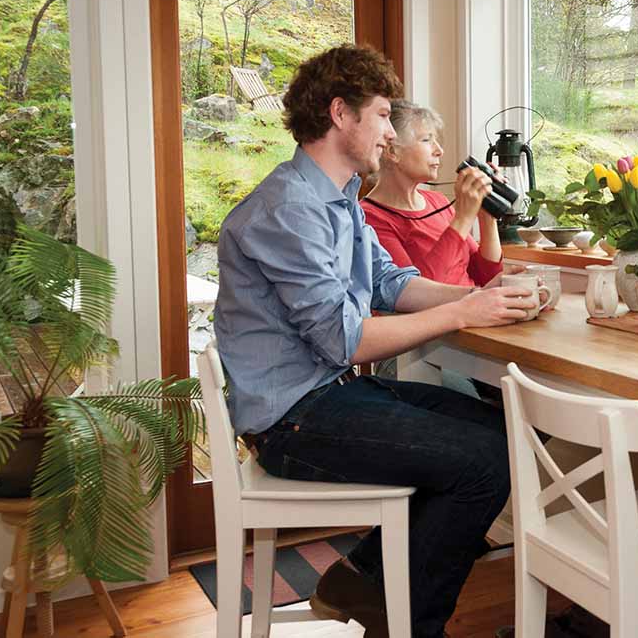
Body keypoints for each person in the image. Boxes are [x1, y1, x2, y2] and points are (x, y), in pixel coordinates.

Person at [214, 44, 536, 638]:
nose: (389, 133)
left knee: (502, 437)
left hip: (325, 397)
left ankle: (367, 585)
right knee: (483, 464)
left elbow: (389, 284)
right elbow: (347, 340)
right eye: (384, 115)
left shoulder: (338, 201)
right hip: (292, 418)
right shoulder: (289, 209)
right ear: (342, 114)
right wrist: (466, 308)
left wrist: (497, 301)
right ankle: (407, 623)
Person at [360, 100, 506, 398]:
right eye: (427, 140)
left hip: (471, 337)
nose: (439, 150)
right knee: (481, 411)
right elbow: (413, 294)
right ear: (391, 151)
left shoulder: (439, 203)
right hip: (415, 352)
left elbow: (484, 274)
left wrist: (486, 218)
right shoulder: (368, 217)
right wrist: (463, 218)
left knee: (526, 396)